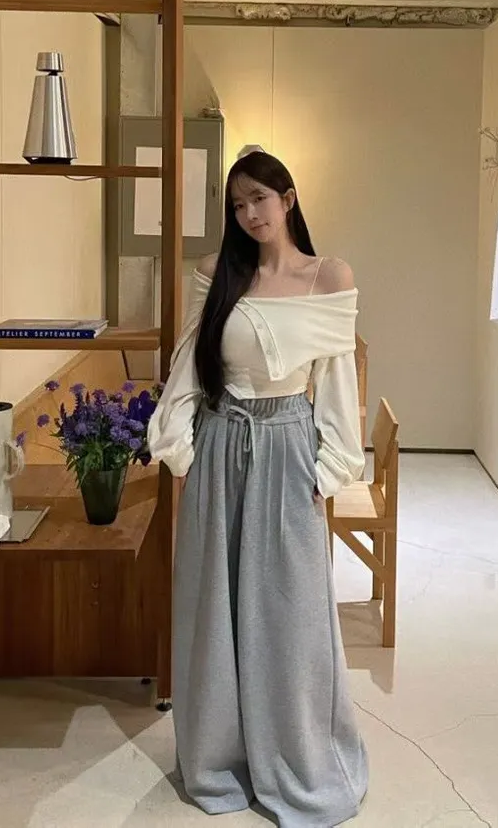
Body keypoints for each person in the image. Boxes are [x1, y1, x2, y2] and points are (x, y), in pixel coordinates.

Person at [148, 150, 368, 828]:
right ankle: (219, 756)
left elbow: (337, 384)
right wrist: (181, 452)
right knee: (212, 606)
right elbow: (189, 365)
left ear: (288, 197)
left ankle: (297, 753)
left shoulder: (328, 276)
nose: (249, 214)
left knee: (290, 612)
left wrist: (328, 471)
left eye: (259, 199)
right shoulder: (217, 271)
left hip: (288, 448)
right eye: (238, 204)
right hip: (219, 446)